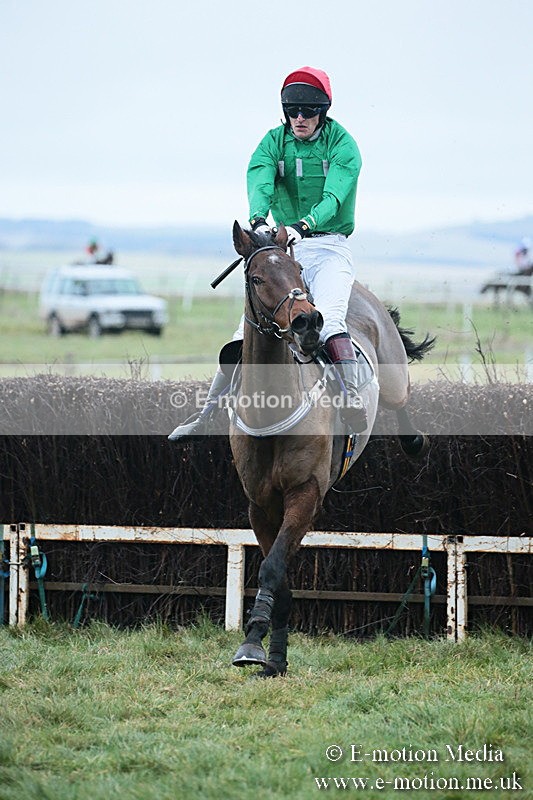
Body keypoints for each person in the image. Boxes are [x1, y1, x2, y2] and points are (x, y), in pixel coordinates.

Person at [169, 66, 367, 441]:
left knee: (328, 322)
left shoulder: (343, 145)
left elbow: (334, 196)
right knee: (243, 332)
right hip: (284, 249)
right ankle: (207, 412)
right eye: (292, 111)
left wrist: (303, 225)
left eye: (308, 112)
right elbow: (259, 178)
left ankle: (351, 397)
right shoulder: (273, 142)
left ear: (323, 112)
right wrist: (259, 219)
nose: (299, 118)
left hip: (329, 249)